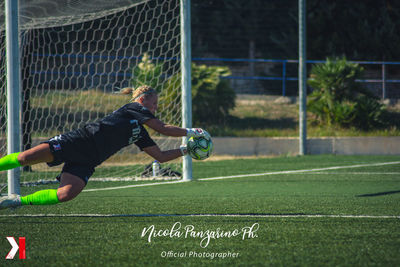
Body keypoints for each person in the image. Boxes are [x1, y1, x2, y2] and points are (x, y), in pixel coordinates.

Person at [0, 85, 208, 210]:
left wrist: (186, 150)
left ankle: (15, 201)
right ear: (142, 100)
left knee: (66, 194)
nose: (155, 108)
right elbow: (162, 128)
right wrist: (191, 132)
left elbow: (160, 156)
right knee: (24, 158)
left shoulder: (139, 130)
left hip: (89, 159)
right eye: (154, 104)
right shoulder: (133, 107)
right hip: (78, 141)